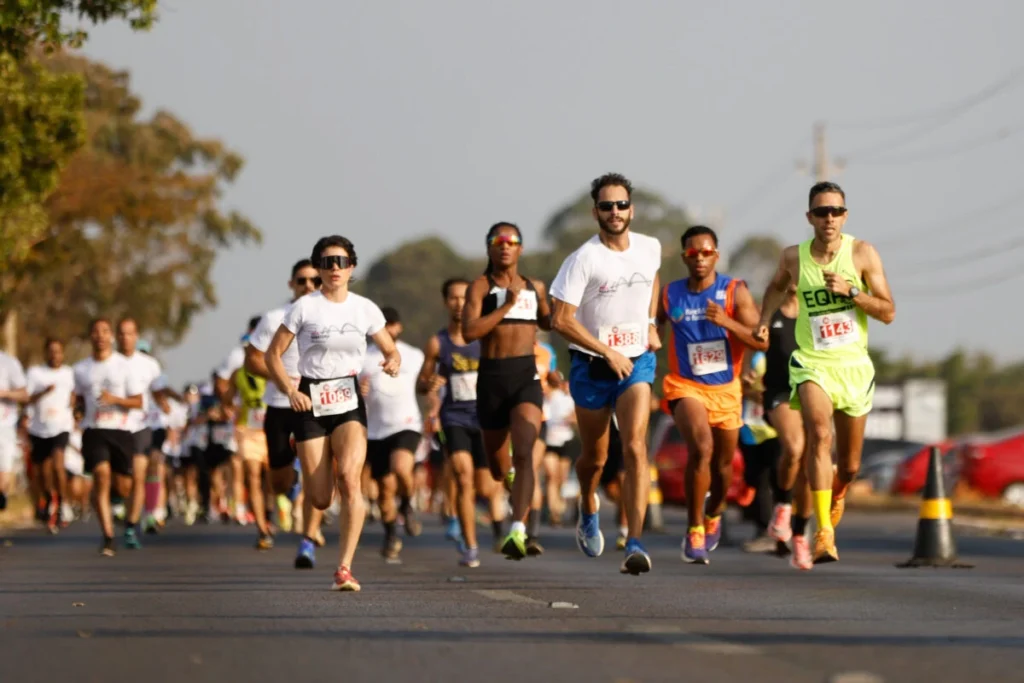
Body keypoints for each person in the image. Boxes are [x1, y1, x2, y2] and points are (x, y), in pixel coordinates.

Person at [755, 181, 896, 563]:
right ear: (810, 218)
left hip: (853, 367)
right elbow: (773, 288)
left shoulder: (863, 253)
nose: (828, 218)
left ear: (845, 215)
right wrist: (763, 321)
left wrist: (852, 292)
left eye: (835, 211)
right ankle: (823, 533)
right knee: (818, 434)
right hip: (812, 363)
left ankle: (836, 494)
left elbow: (888, 312)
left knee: (849, 466)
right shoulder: (793, 258)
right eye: (821, 212)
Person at [266, 235, 400, 592]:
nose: (334, 268)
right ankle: (302, 450)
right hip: (310, 397)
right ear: (319, 268)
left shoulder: (364, 308)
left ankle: (344, 567)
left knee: (351, 480)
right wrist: (290, 391)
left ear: (352, 267)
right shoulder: (304, 308)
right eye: (327, 262)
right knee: (321, 498)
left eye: (341, 261)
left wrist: (392, 361)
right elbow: (272, 355)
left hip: (348, 397)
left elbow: (389, 347)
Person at [550, 172, 662, 575]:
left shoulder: (650, 247)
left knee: (635, 447)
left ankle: (633, 541)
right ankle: (586, 502)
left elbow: (652, 280)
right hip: (591, 365)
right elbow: (559, 319)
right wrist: (605, 350)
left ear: (631, 208)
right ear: (594, 210)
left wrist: (650, 321)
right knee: (595, 459)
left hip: (636, 362)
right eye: (606, 206)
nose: (614, 212)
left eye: (621, 205)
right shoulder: (584, 258)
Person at [657, 225, 767, 564]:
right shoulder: (669, 294)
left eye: (706, 252)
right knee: (700, 448)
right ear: (684, 257)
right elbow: (649, 328)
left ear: (716, 255)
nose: (700, 258)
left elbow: (761, 340)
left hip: (727, 391)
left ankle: (714, 513)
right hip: (685, 385)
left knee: (722, 468)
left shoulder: (735, 292)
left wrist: (728, 322)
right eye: (693, 253)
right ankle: (693, 529)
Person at [462, 222, 552, 560]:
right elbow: (469, 331)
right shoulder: (480, 288)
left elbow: (547, 322)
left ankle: (518, 530)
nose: (505, 247)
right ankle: (511, 477)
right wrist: (505, 307)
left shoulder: (534, 286)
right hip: (491, 379)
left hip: (525, 376)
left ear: (520, 249)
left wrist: (552, 307)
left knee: (527, 453)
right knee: (499, 470)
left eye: (511, 241)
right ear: (489, 248)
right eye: (498, 242)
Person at [417, 278, 506, 568]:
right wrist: (430, 381)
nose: (458, 304)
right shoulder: (437, 342)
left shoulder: (487, 337)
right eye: (453, 298)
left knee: (485, 487)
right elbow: (421, 383)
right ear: (446, 303)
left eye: (463, 298)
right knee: (463, 478)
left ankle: (491, 524)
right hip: (454, 418)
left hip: (485, 419)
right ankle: (471, 546)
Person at [245, 259, 325, 566]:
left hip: (318, 405)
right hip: (280, 405)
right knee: (278, 481)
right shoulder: (274, 317)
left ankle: (308, 539)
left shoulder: (330, 316)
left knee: (316, 473)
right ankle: (288, 481)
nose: (308, 286)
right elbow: (251, 360)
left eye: (314, 281)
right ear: (291, 284)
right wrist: (282, 381)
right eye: (302, 281)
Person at [72, 318, 145, 555]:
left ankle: (115, 501)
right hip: (94, 430)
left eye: (105, 331)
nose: (100, 336)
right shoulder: (81, 369)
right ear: (90, 337)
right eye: (96, 332)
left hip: (121, 430)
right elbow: (79, 399)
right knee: (101, 476)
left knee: (124, 487)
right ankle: (108, 536)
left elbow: (138, 401)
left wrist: (115, 400)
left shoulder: (123, 366)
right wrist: (77, 409)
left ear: (111, 337)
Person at [359, 306, 424, 563]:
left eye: (392, 324)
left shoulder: (413, 355)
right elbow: (349, 385)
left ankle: (407, 504)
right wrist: (357, 389)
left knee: (401, 467)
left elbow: (426, 381)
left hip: (406, 423)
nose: (388, 329)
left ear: (399, 327)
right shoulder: (363, 356)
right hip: (375, 430)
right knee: (384, 489)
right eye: (382, 325)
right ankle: (390, 535)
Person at [760, 287, 815, 570]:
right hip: (779, 393)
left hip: (813, 390)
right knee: (794, 448)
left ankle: (801, 534)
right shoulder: (772, 314)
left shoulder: (815, 314)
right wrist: (747, 371)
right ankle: (782, 506)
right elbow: (753, 343)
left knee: (811, 465)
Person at [24, 338, 76, 530]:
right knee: (43, 472)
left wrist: (75, 406)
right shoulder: (36, 374)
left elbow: (76, 394)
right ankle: (49, 500)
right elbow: (27, 398)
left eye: (59, 351)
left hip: (61, 426)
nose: (55, 355)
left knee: (58, 462)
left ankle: (62, 503)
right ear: (46, 353)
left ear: (63, 353)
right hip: (39, 428)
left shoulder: (69, 373)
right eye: (52, 351)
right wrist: (43, 392)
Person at [0, 349, 29, 514]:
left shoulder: (8, 362)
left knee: (2, 476)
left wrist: (4, 393)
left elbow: (24, 395)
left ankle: (2, 494)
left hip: (3, 426)